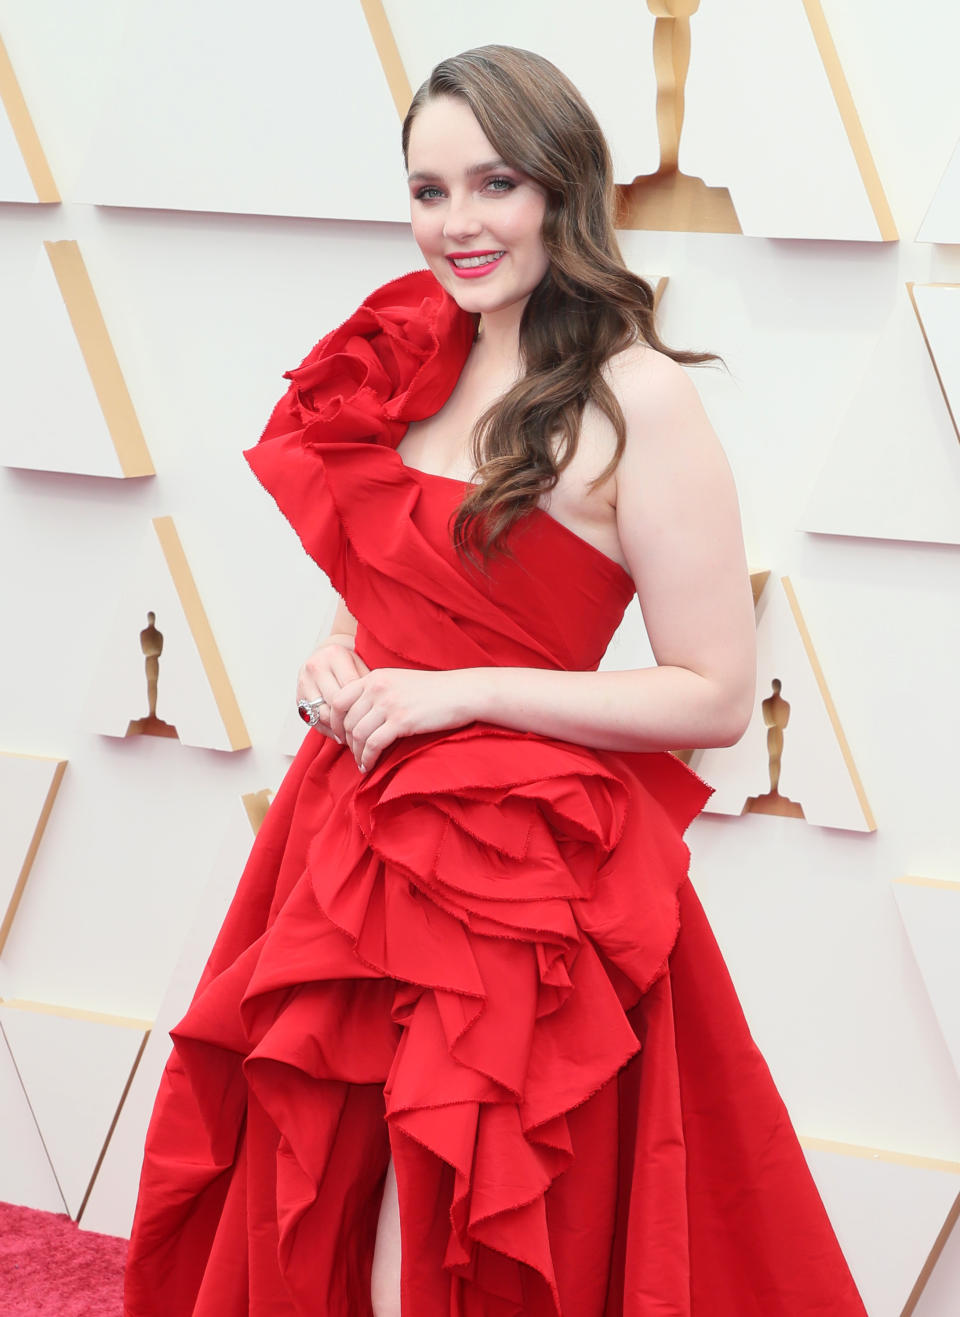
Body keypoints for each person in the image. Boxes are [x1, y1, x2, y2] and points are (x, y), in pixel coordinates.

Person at [124, 45, 867, 1317]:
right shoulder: (412, 354)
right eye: (428, 191)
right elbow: (394, 577)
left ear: (562, 191)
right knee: (329, 1176)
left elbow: (711, 696)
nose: (457, 225)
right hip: (354, 837)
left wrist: (463, 692)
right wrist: (340, 652)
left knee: (457, 1201)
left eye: (495, 184)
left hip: (523, 875)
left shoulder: (637, 401)